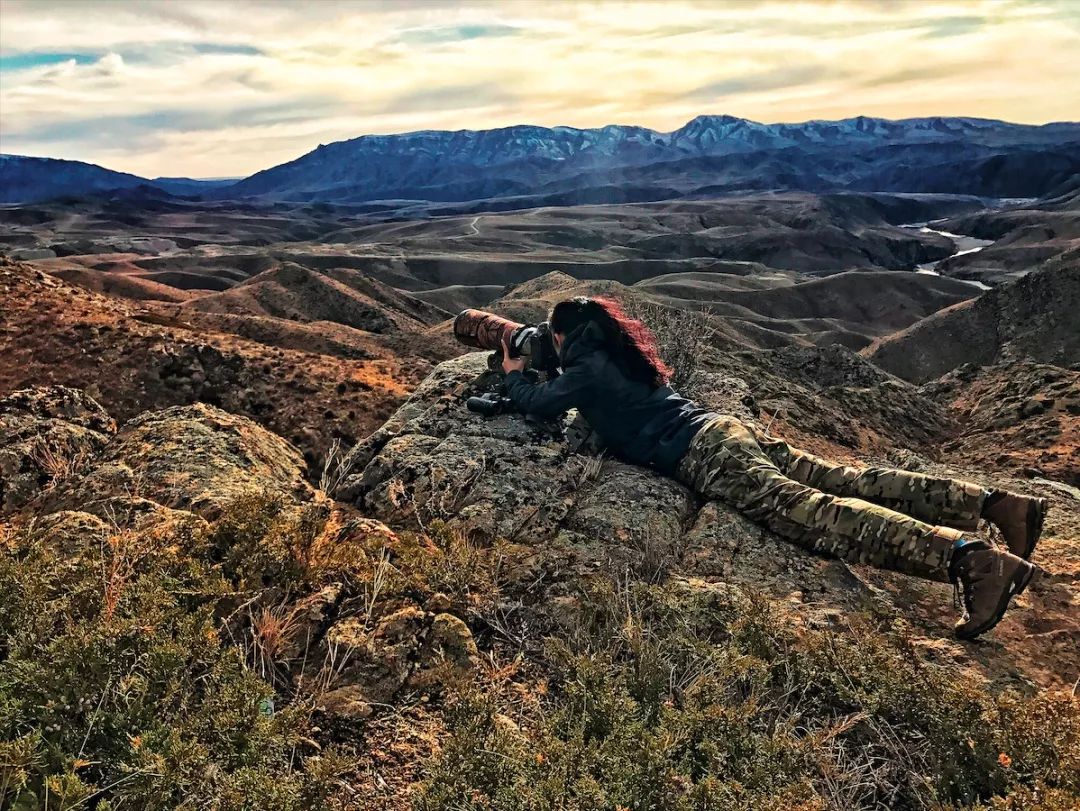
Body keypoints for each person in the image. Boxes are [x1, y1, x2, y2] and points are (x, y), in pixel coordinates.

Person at [500, 296, 1046, 640]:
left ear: (567, 337)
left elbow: (536, 402)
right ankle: (998, 505)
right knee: (843, 479)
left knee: (808, 512)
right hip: (723, 427)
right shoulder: (617, 353)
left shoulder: (586, 367)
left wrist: (513, 369)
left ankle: (972, 562)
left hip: (704, 452)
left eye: (555, 337)